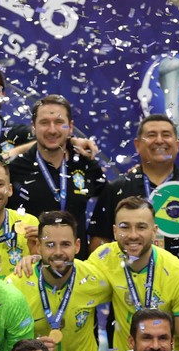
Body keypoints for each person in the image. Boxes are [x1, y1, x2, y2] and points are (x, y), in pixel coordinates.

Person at [88, 114, 179, 258]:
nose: (159, 140)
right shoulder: (116, 189)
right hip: (129, 271)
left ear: (177, 145)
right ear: (137, 145)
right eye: (151, 135)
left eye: (166, 135)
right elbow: (99, 245)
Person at [5, 211, 111, 351]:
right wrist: (31, 347)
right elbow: (4, 346)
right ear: (38, 246)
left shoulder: (94, 278)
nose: (58, 252)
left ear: (77, 246)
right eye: (50, 245)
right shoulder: (16, 286)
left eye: (65, 244)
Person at [91, 196, 179, 351]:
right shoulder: (103, 258)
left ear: (154, 231)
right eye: (125, 227)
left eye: (141, 227)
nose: (133, 235)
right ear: (115, 231)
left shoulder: (178, 272)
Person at [6, 95, 106, 250]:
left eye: (59, 122)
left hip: (75, 262)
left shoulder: (87, 166)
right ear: (33, 127)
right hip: (28, 261)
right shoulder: (15, 168)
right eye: (44, 123)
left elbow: (113, 200)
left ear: (70, 127)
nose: (52, 130)